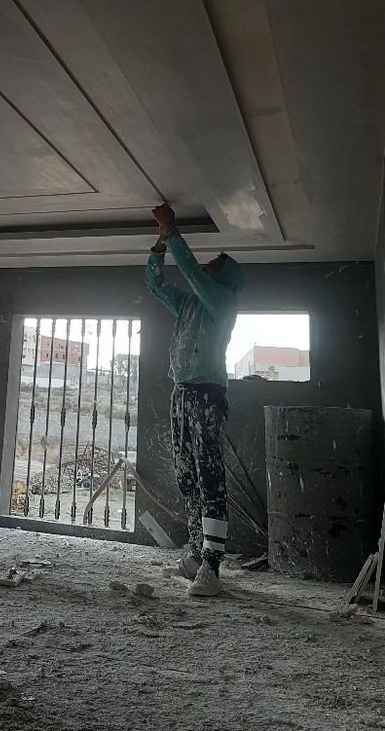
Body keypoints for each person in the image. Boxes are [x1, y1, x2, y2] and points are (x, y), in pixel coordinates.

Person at [145, 203, 245, 597]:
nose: (205, 267)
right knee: (187, 476)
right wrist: (159, 244)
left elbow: (191, 273)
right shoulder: (189, 305)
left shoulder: (223, 302)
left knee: (209, 476)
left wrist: (171, 231)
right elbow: (155, 285)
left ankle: (212, 566)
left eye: (213, 266)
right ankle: (194, 553)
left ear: (225, 278)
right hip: (182, 393)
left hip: (207, 395)